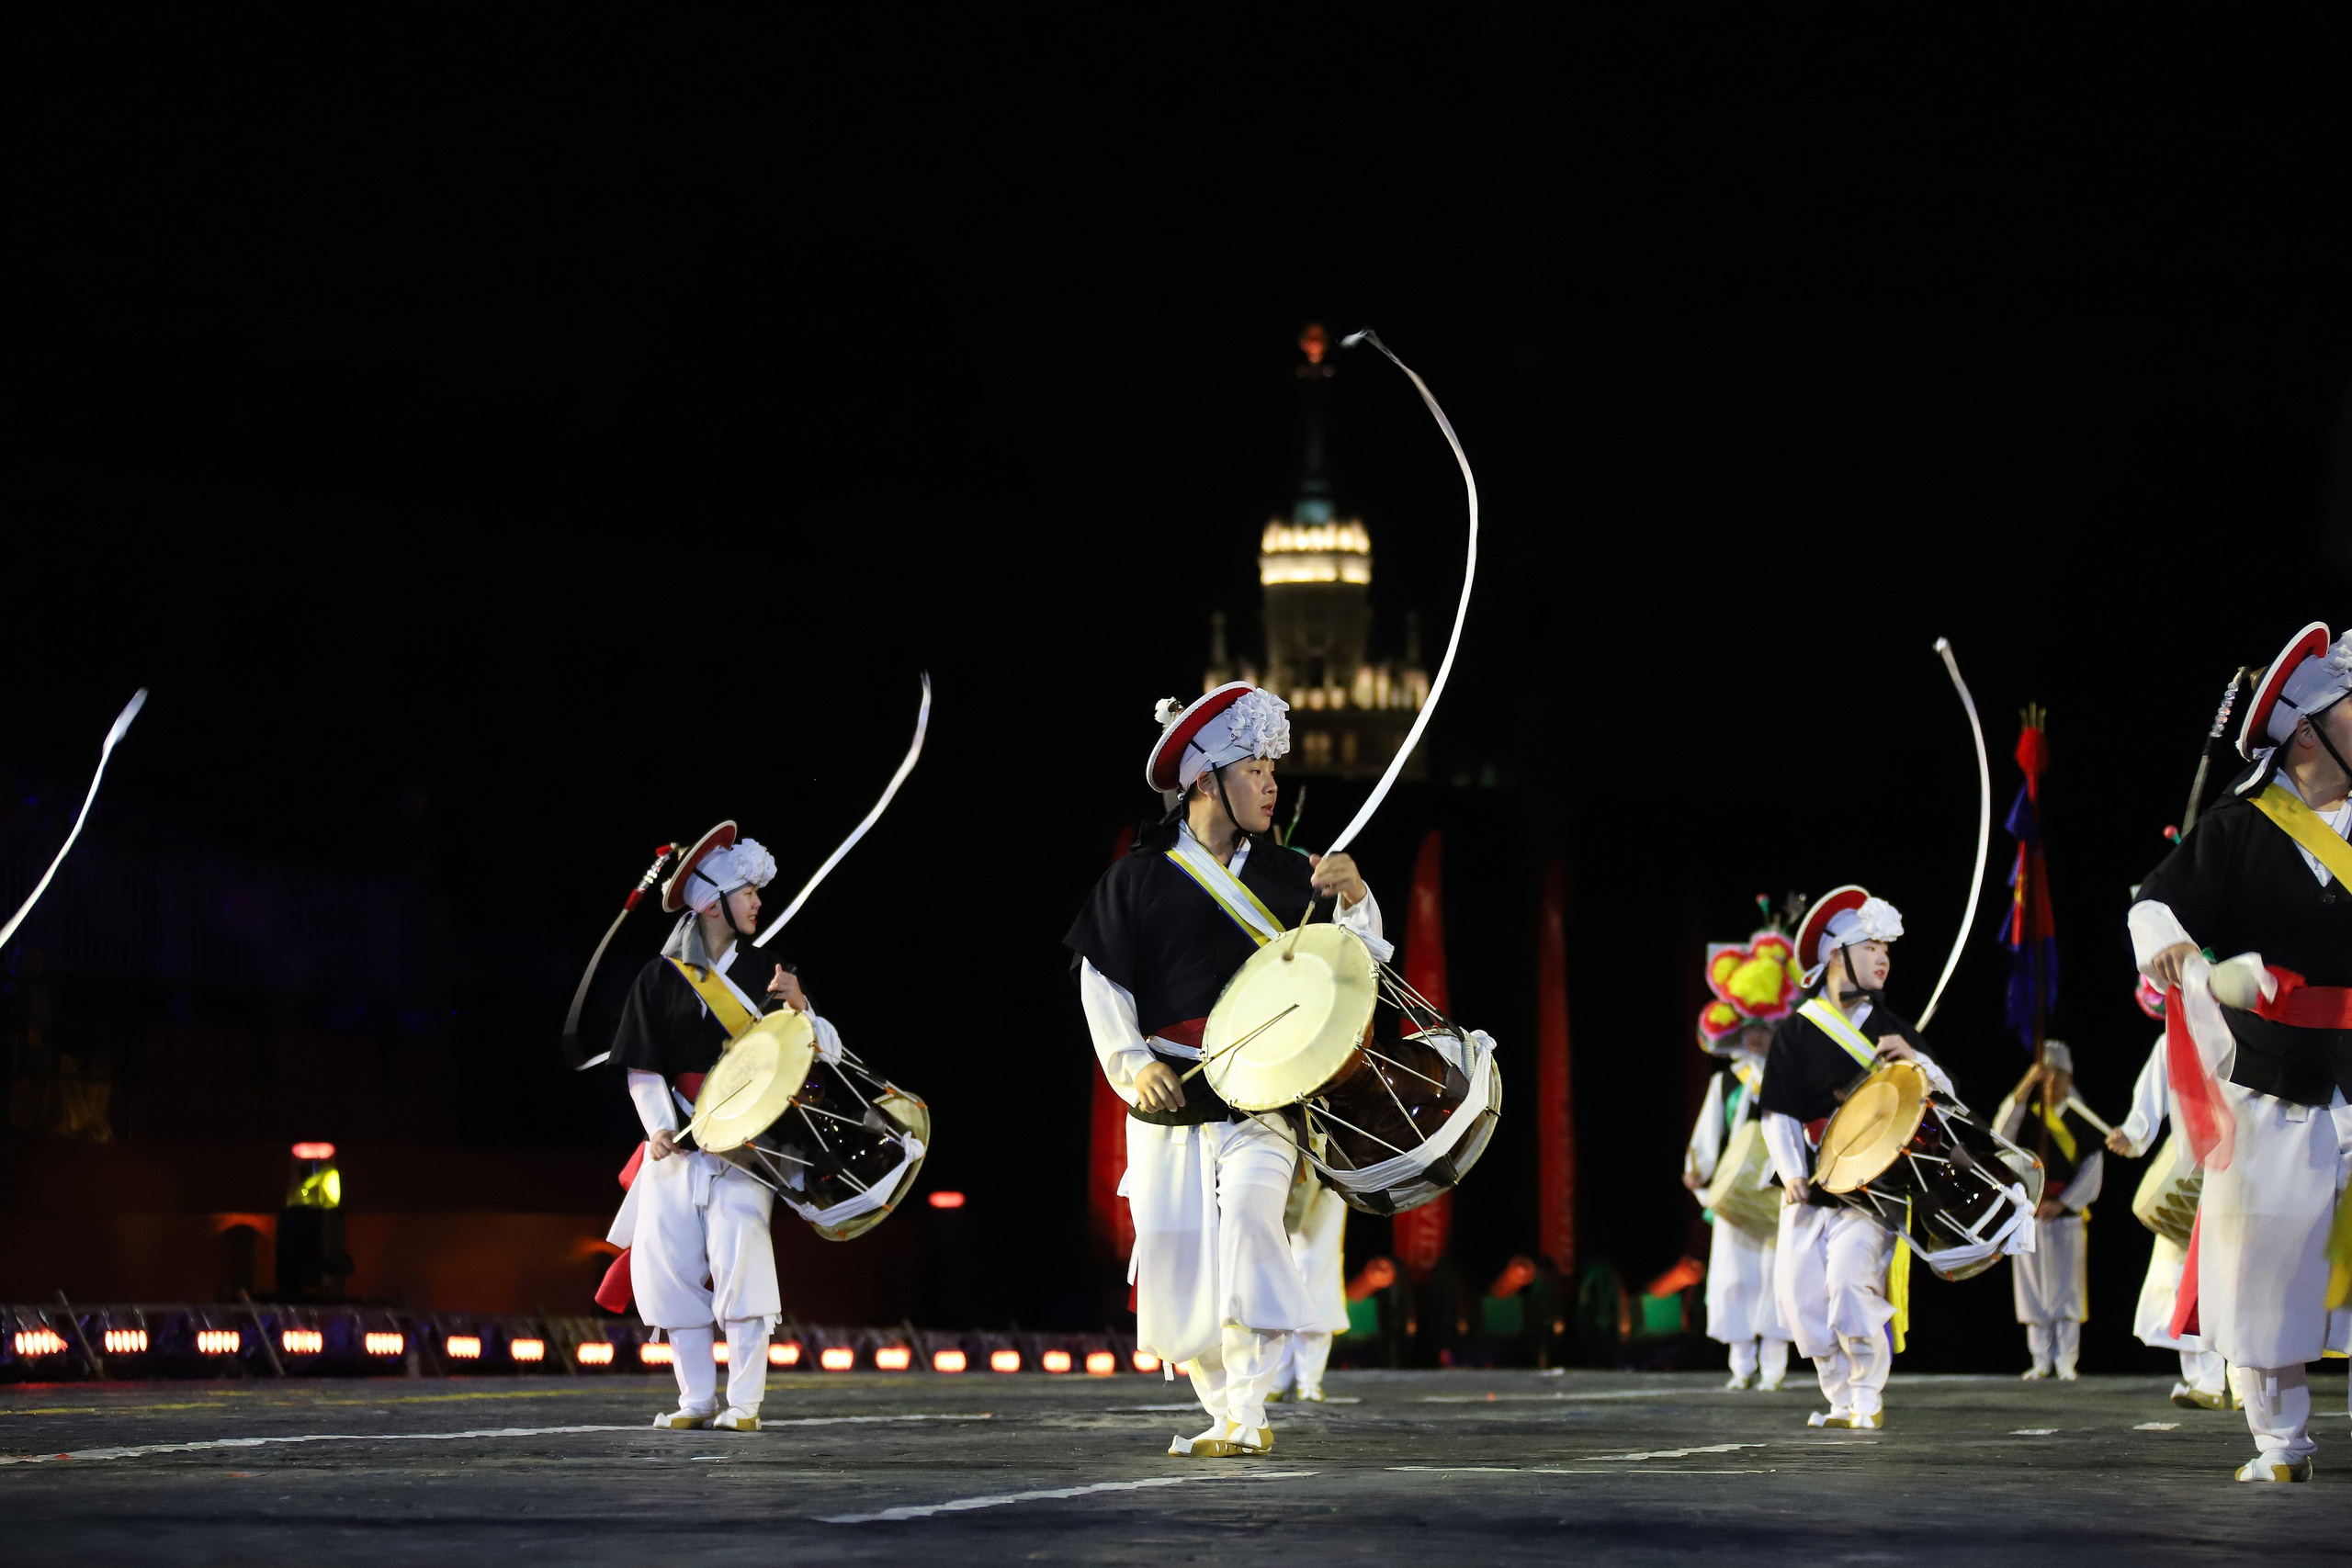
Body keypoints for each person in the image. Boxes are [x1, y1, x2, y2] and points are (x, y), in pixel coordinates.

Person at [1066, 682, 1383, 1458]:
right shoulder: (1135, 879)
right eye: (1256, 770)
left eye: (1274, 769)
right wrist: (1131, 1061)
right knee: (1178, 1255)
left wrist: (1359, 899)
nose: (1272, 784)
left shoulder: (1295, 876)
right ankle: (1223, 1411)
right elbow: (1100, 981)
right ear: (1206, 779)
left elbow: (1359, 967)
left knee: (1247, 1220)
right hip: (1172, 1095)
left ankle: (1251, 1406)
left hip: (1265, 1097)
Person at [2130, 622, 2352, 1483]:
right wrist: (2177, 949)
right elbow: (2154, 907)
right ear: (2309, 733)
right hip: (2274, 1080)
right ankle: (2281, 1442)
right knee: (2264, 1264)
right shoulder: (2238, 826)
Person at [600, 822, 808, 1434]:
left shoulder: (769, 971)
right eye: (747, 892)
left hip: (746, 1144)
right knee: (670, 1268)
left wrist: (800, 1007)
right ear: (714, 900)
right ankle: (695, 1399)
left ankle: (744, 1403)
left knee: (742, 1265)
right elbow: (643, 1066)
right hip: (678, 1146)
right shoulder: (657, 977)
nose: (757, 902)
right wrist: (661, 1129)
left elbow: (811, 1050)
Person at [1759, 886, 1958, 1431]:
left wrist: (1915, 1059)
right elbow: (1775, 1110)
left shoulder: (1893, 1029)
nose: (1883, 958)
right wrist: (1795, 1173)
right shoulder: (1795, 1031)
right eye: (1871, 946)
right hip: (1812, 1182)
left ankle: (1867, 1394)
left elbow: (1947, 1097)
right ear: (1836, 954)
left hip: (1873, 1188)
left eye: (1887, 950)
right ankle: (1839, 1397)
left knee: (1850, 1284)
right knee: (1802, 1301)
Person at [2105, 992, 2232, 1411]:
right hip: (2189, 1175)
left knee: (2241, 1280)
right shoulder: (2170, 1045)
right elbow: (2147, 1106)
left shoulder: (2241, 1041)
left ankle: (2250, 1387)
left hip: (2239, 1171)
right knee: (2182, 1282)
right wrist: (2131, 1134)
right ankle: (2205, 1382)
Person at [1684, 987, 1794, 1392]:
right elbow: (1710, 1132)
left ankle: (1774, 1365)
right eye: (1747, 1029)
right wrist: (1699, 1171)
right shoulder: (1727, 1081)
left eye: (1762, 1029)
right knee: (1734, 1277)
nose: (1753, 1038)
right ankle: (1741, 1364)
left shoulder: (1790, 1076)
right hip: (1738, 1191)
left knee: (1776, 1277)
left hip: (1777, 1188)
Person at [1993, 1042, 2102, 1380]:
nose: (2052, 1081)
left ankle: (2067, 1359)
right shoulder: (2030, 1112)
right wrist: (2025, 1085)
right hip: (2031, 1212)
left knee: (2066, 1288)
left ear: (2069, 1077)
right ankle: (2040, 1359)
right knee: (2032, 1287)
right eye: (2047, 1074)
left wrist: (2064, 1202)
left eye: (2059, 1074)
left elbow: (2093, 1166)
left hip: (2064, 1215)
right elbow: (2000, 1136)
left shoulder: (2079, 1115)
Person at [1268, 1160, 1350, 1404]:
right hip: (1283, 1166)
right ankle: (1275, 1380)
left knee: (1315, 1272)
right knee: (1275, 1279)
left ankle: (1308, 1380)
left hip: (1325, 1174)